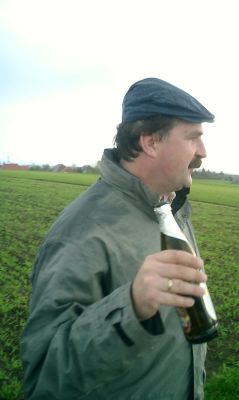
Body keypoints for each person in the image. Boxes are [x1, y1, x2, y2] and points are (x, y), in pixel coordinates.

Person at [21, 77, 215, 400]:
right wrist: (133, 305)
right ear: (151, 142)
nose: (203, 152)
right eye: (193, 138)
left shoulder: (171, 206)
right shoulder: (81, 232)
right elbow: (43, 376)